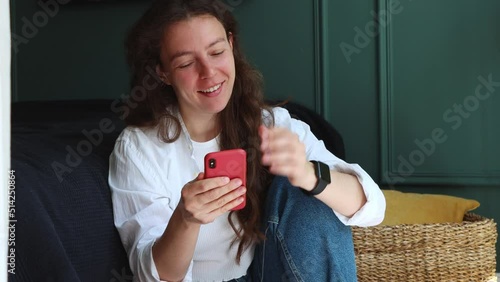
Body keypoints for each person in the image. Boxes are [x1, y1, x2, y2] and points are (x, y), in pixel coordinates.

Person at [108, 0, 386, 281]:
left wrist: (309, 175)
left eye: (216, 52)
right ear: (162, 72)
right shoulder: (138, 148)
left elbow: (373, 207)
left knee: (311, 191)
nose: (209, 73)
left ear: (231, 45)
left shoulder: (272, 123)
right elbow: (153, 276)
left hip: (271, 272)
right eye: (187, 63)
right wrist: (185, 219)